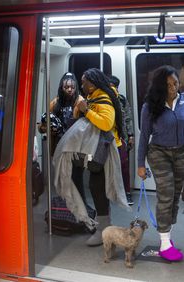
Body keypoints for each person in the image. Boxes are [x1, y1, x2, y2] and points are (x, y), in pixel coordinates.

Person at [137, 65, 184, 262]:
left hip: (182, 153)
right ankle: (164, 243)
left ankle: (166, 232)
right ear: (160, 87)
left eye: (176, 83)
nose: (174, 88)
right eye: (169, 85)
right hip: (159, 153)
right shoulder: (150, 106)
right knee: (165, 195)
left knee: (174, 197)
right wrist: (140, 164)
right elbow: (144, 136)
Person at [76, 68, 125, 246]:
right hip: (97, 147)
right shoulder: (96, 96)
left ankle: (103, 229)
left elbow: (106, 123)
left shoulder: (103, 98)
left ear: (93, 82)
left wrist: (86, 110)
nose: (82, 85)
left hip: (104, 149)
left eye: (84, 82)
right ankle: (105, 227)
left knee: (96, 187)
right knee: (97, 187)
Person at [38, 72, 85, 200]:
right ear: (61, 88)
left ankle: (82, 213)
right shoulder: (55, 103)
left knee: (77, 181)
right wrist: (45, 128)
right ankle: (66, 211)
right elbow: (42, 125)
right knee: (62, 180)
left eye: (72, 87)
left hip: (76, 149)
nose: (69, 90)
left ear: (76, 88)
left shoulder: (81, 102)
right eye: (66, 87)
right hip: (59, 147)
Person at [109, 75, 135, 205]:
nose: (115, 90)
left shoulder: (122, 100)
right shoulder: (104, 100)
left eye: (116, 87)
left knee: (124, 166)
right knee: (110, 167)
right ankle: (113, 192)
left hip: (122, 137)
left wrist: (131, 135)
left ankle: (127, 192)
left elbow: (128, 118)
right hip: (108, 139)